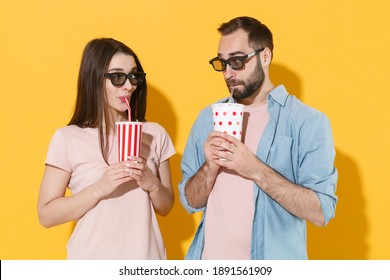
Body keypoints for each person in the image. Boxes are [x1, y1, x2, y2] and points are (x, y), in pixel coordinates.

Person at [178, 16, 338, 259]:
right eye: (222, 63)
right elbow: (190, 201)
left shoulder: (307, 122)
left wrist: (254, 168)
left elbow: (321, 211)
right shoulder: (207, 118)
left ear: (265, 56)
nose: (229, 73)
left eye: (238, 61)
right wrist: (209, 167)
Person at [37, 38, 175, 259]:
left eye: (133, 76)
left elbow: (166, 206)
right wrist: (100, 187)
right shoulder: (68, 138)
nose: (129, 86)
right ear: (94, 79)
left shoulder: (154, 133)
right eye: (117, 77)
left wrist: (151, 182)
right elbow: (46, 215)